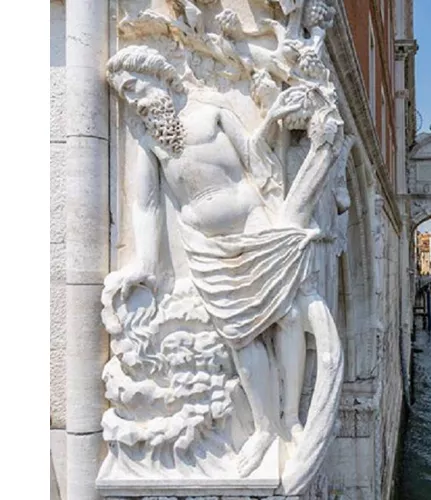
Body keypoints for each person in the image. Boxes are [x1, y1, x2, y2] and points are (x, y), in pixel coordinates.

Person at [104, 45, 347, 485]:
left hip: (253, 224)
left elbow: (256, 159)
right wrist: (144, 260)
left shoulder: (212, 111)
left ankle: (290, 419)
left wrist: (273, 121)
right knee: (239, 336)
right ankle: (262, 428)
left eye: (136, 87)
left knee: (287, 315)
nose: (134, 100)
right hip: (204, 246)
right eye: (125, 95)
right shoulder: (148, 140)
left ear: (159, 75)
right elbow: (146, 203)